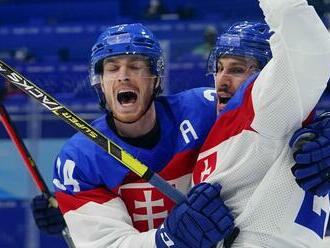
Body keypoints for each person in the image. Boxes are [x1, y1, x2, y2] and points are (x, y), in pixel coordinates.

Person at [50, 23, 234, 247]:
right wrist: (169, 240)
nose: (123, 76)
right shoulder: (79, 159)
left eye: (135, 66)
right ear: (101, 82)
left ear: (155, 79)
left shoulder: (205, 110)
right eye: (112, 68)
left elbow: (262, 117)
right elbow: (109, 244)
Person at [192, 0, 330, 246]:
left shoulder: (264, 104)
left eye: (236, 70)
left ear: (272, 73)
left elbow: (311, 48)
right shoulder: (216, 126)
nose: (221, 80)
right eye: (219, 68)